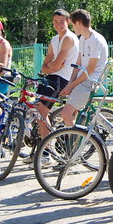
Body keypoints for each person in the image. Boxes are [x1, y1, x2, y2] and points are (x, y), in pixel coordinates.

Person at [59, 9, 108, 127]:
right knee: (72, 114)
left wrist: (72, 85)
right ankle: (74, 140)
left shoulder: (96, 40)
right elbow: (78, 63)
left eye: (73, 25)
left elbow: (90, 69)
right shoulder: (82, 38)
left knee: (66, 114)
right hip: (82, 81)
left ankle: (72, 142)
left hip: (90, 82)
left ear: (79, 23)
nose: (72, 29)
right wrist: (70, 83)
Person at [35, 9, 79, 139]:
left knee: (41, 112)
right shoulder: (54, 40)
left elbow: (54, 65)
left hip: (63, 79)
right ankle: (40, 145)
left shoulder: (68, 38)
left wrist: (51, 67)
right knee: (36, 109)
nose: (58, 25)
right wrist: (50, 67)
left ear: (68, 22)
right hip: (52, 77)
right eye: (55, 21)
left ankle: (46, 150)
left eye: (61, 22)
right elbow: (46, 66)